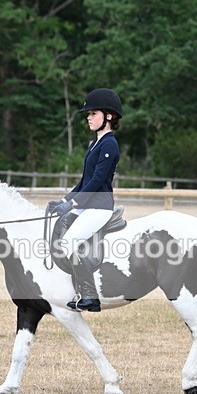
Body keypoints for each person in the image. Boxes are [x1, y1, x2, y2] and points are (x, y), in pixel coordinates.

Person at [48, 88, 122, 312]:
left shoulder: (110, 144)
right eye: (88, 114)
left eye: (93, 113)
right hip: (87, 205)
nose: (88, 118)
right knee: (60, 231)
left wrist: (72, 204)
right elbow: (84, 181)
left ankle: (90, 295)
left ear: (108, 116)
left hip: (99, 206)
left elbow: (98, 180)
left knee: (69, 242)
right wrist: (64, 199)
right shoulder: (94, 144)